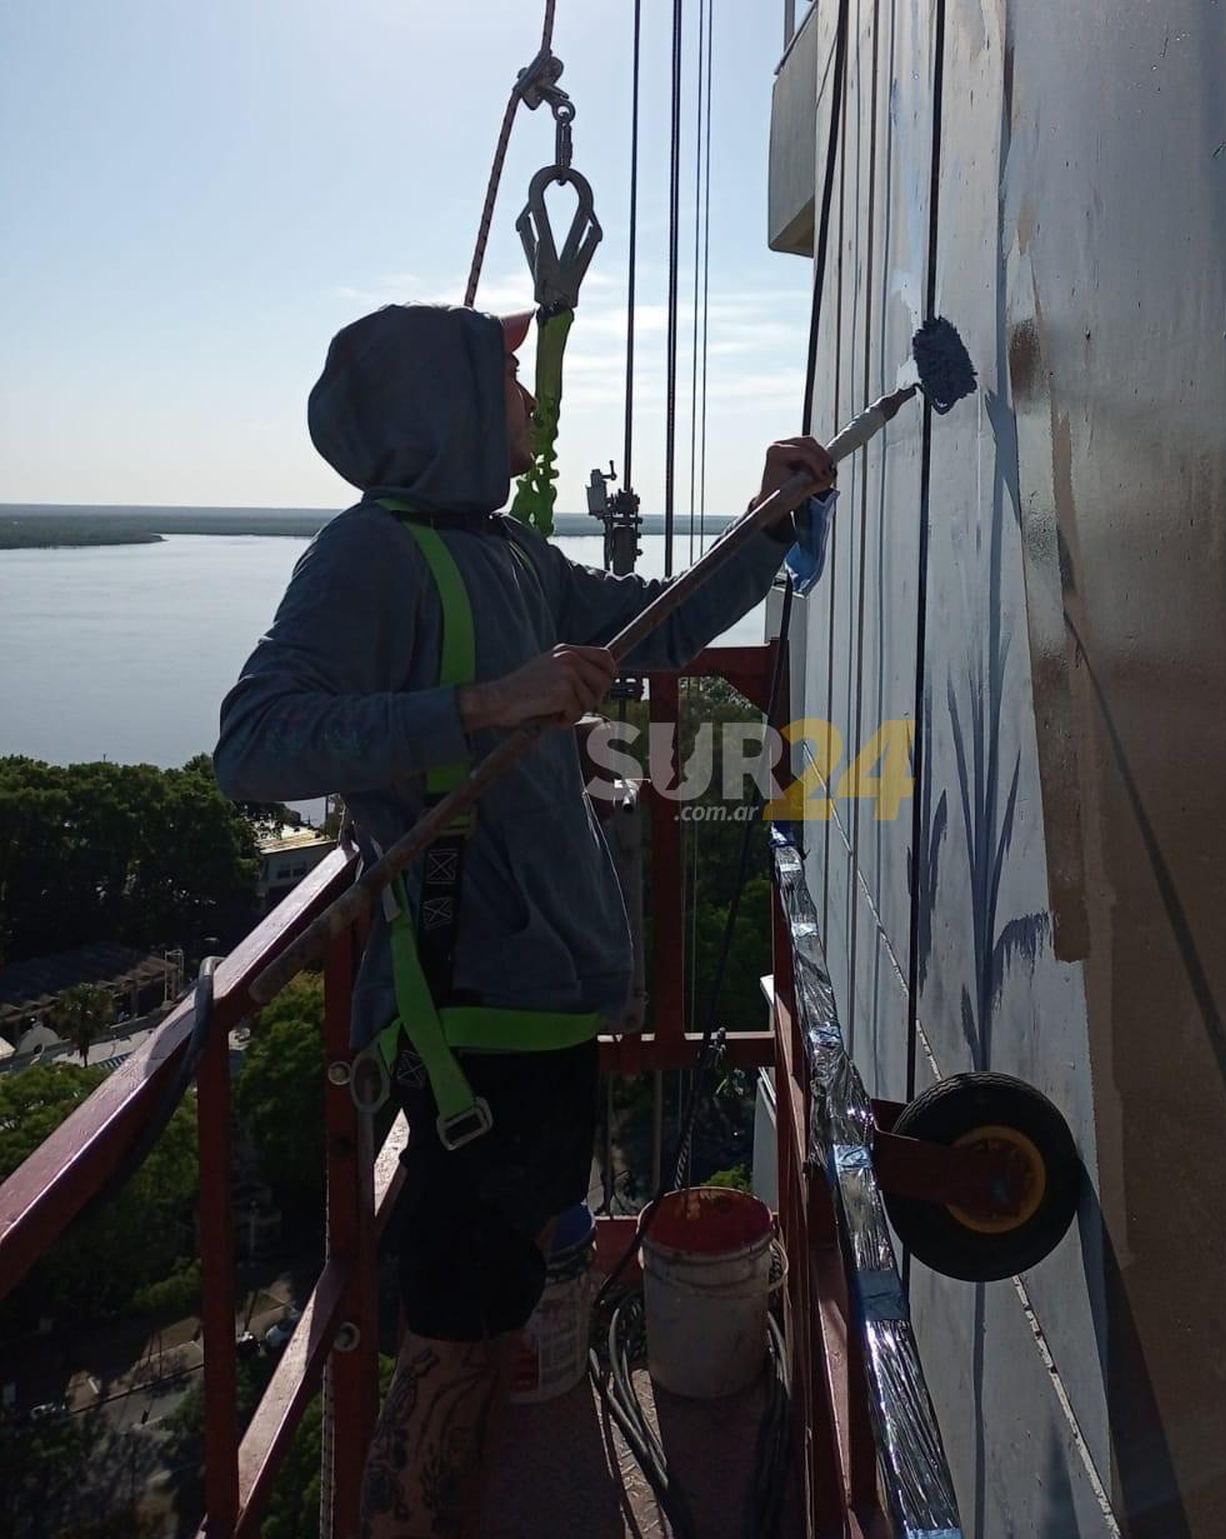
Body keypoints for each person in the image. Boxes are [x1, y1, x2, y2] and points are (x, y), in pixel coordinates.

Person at [213, 301, 833, 1537]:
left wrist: (766, 534)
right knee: (454, 1342)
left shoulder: (499, 552)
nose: (530, 401)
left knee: (487, 1325)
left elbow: (647, 623)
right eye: (505, 378)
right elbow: (252, 743)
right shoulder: (367, 559)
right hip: (473, 1028)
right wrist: (485, 703)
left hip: (528, 1015)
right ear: (445, 409)